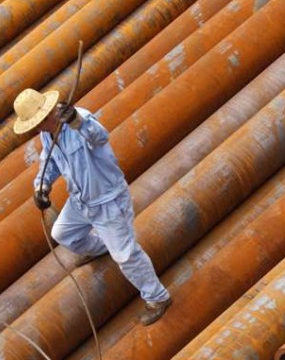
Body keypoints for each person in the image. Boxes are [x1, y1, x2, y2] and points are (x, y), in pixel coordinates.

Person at [12, 88, 173, 325]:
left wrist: (77, 121)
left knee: (126, 256)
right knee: (62, 233)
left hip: (107, 200)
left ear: (46, 116)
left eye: (37, 123)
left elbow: (99, 136)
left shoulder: (79, 119)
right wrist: (41, 187)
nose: (36, 129)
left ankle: (157, 297)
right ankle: (99, 247)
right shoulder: (47, 134)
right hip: (81, 200)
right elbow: (49, 161)